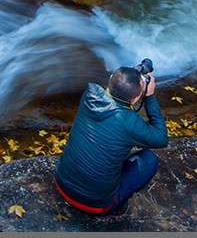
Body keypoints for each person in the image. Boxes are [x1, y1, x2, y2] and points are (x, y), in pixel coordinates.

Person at [53, 64, 168, 216]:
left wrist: (126, 76)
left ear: (109, 80)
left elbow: (116, 95)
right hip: (94, 205)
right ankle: (116, 205)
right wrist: (150, 97)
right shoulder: (130, 122)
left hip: (61, 183)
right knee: (149, 159)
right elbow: (161, 138)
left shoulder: (89, 94)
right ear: (135, 99)